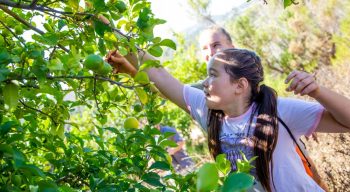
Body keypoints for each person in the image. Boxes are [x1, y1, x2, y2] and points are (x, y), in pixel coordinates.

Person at [106, 47, 350, 191]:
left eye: (213, 75)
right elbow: (159, 74)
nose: (205, 82)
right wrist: (107, 25)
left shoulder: (279, 111)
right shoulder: (207, 110)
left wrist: (317, 91)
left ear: (240, 85)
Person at [196, 26, 328, 191]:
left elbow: (273, 101)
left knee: (308, 176)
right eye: (204, 48)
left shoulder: (247, 66)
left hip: (278, 144)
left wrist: (303, 119)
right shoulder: (205, 87)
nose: (211, 51)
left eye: (216, 44)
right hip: (247, 167)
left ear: (231, 45)